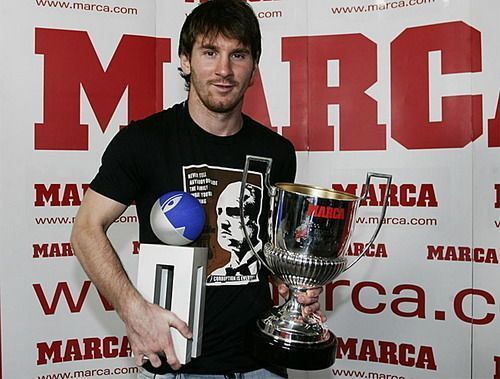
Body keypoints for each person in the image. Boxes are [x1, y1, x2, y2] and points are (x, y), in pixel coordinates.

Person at [70, 0, 324, 378]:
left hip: (262, 364)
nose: (224, 70)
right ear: (185, 61)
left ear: (254, 67)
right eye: (210, 52)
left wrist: (291, 284)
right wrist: (133, 310)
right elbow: (85, 230)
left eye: (238, 54)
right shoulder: (144, 141)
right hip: (176, 364)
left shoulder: (277, 153)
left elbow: (268, 249)